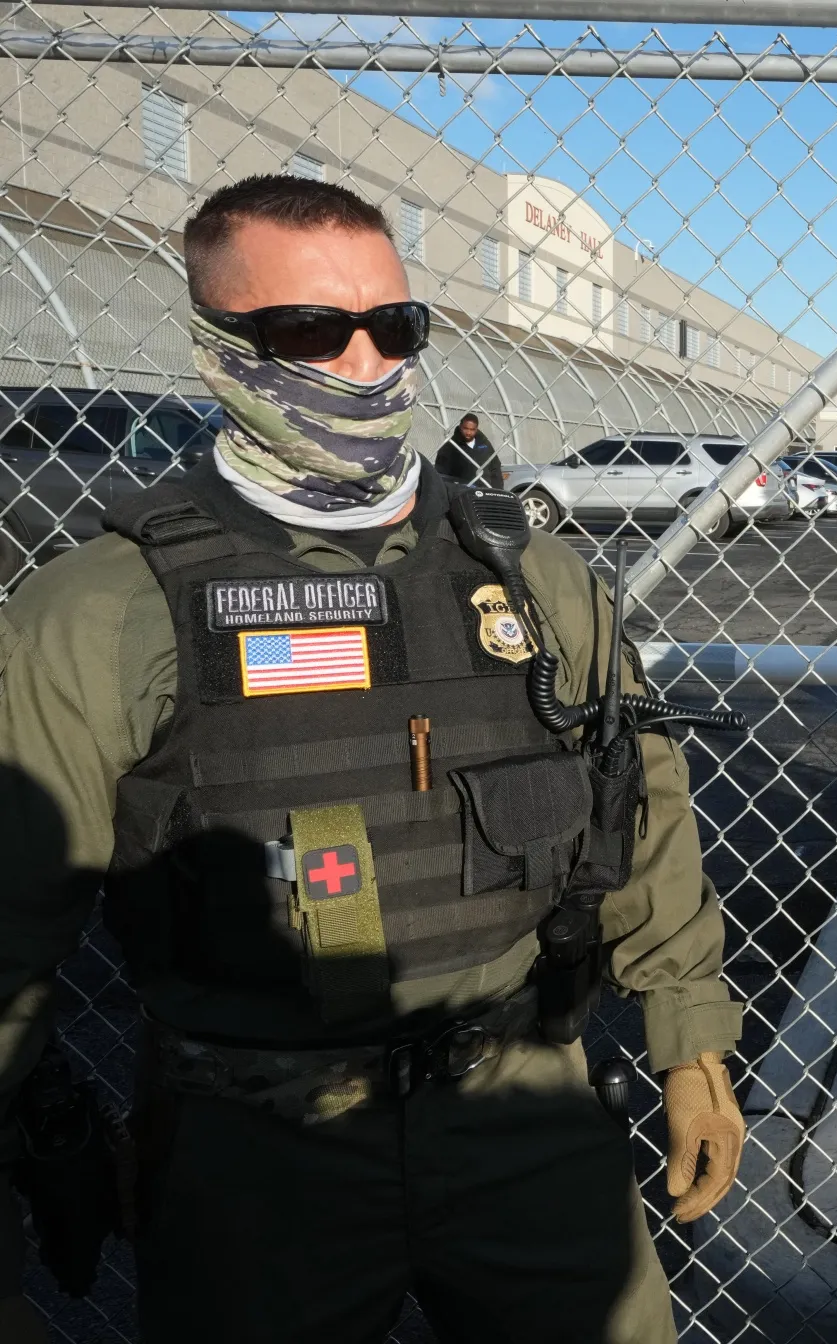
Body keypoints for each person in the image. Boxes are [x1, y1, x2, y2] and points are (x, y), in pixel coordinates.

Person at [0, 175, 744, 1342]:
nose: (363, 364)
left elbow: (638, 795)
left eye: (393, 327)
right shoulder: (105, 613)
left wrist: (692, 1037)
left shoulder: (531, 575)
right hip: (254, 1150)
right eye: (308, 331)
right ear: (215, 349)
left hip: (521, 1111)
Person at [437, 412, 502, 489]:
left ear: (476, 429)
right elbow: (442, 475)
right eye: (465, 428)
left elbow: (495, 467)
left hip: (486, 491)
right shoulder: (449, 447)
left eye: (472, 429)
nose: (468, 433)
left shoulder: (485, 444)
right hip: (463, 493)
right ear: (460, 426)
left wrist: (497, 490)